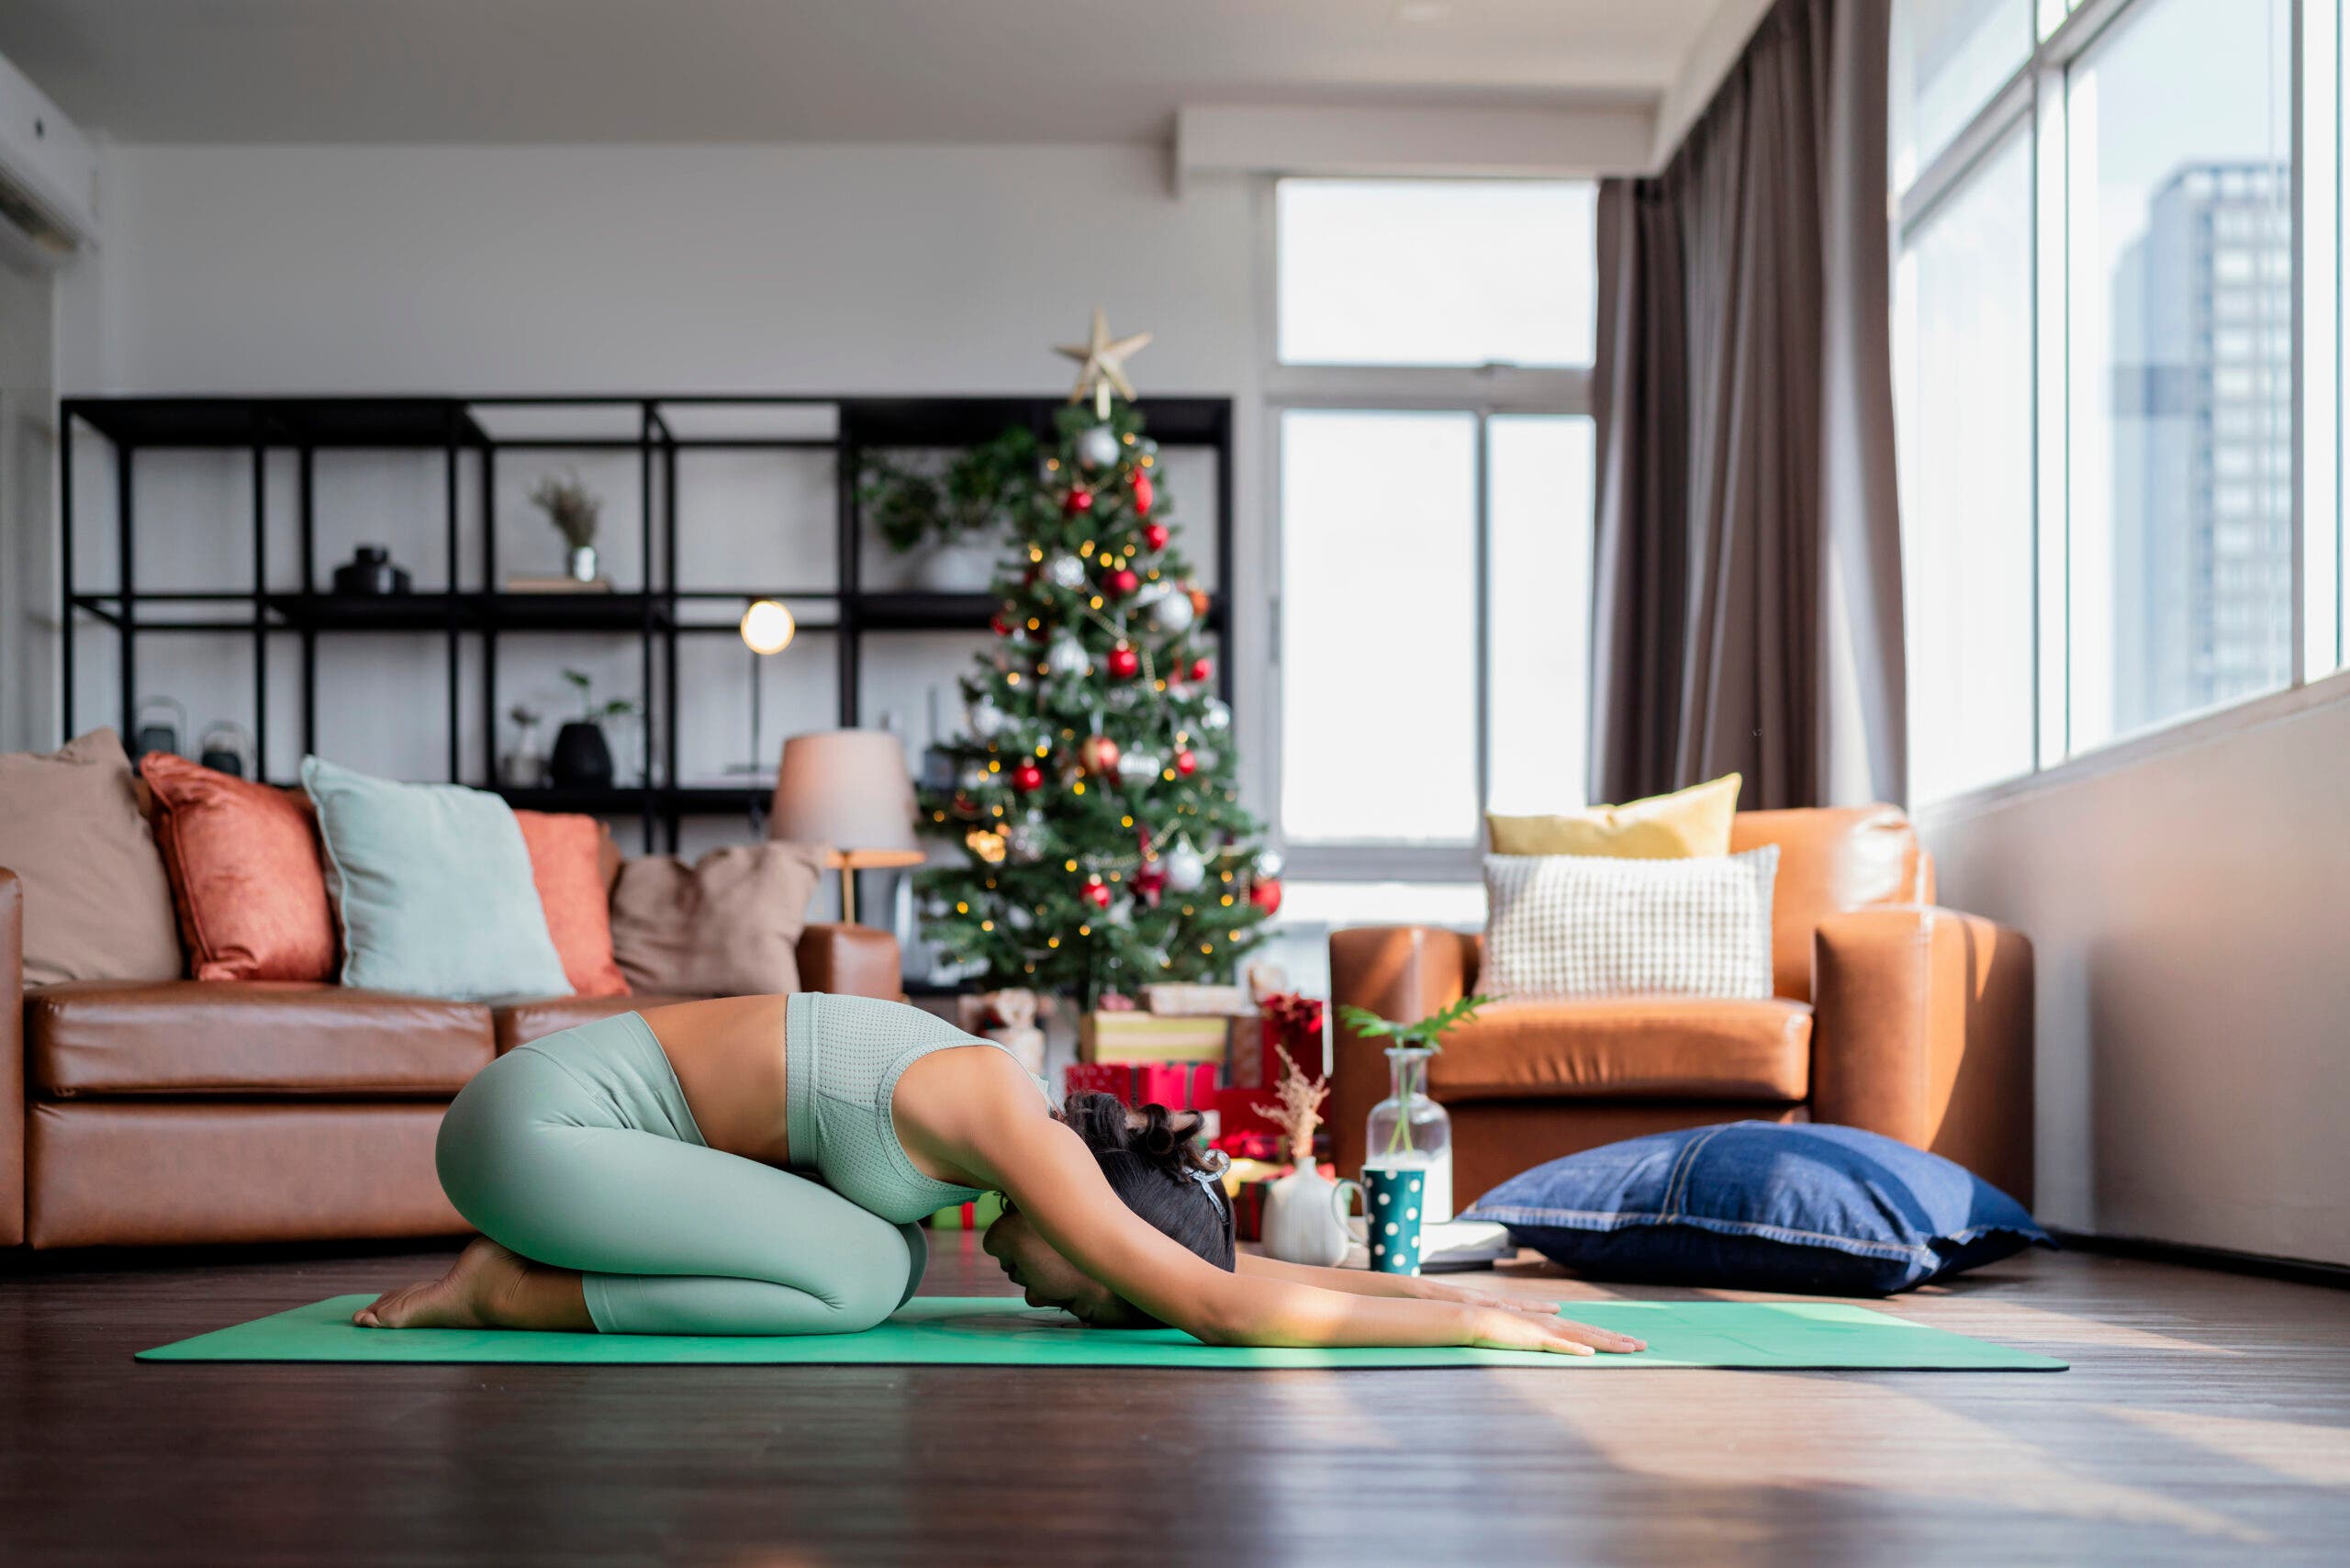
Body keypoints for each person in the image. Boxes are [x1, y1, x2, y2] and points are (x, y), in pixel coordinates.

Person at [357, 992, 1644, 1356]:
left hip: (574, 1142)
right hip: (533, 1128)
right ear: (1088, 1225)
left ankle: (523, 1275)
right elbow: (1214, 1308)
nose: (1047, 1301)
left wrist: (1429, 1295)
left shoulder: (1013, 1139)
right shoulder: (1002, 1116)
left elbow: (1223, 1267)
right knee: (866, 1274)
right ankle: (499, 1295)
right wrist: (1474, 1327)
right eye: (1082, 1294)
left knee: (889, 1259)